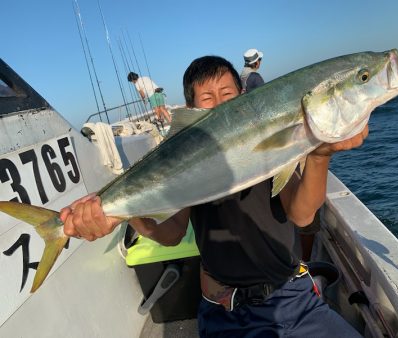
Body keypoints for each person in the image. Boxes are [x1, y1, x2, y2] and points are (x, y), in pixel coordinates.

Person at [62, 56, 367, 337]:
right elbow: (171, 234)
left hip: (294, 298)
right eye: (207, 99)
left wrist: (319, 155)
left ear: (244, 97)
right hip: (226, 313)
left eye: (228, 94)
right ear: (192, 112)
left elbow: (302, 215)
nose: (220, 104)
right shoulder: (188, 164)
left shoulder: (270, 149)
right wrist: (125, 215)